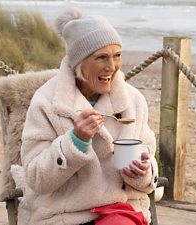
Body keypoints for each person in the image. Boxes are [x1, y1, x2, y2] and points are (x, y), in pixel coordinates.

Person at [20, 7, 159, 225]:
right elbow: (37, 179)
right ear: (79, 62)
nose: (112, 67)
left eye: (117, 56)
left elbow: (149, 166)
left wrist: (142, 172)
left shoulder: (133, 101)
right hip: (65, 214)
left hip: (121, 211)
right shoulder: (46, 102)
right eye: (101, 58)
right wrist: (75, 141)